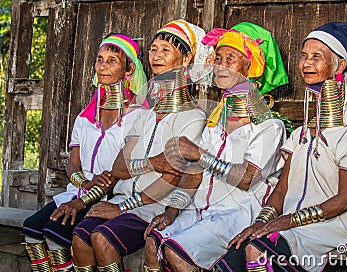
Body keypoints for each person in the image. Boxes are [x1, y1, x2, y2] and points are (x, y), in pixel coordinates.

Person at [217, 22, 347, 272]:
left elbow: (345, 200)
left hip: (329, 228)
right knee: (234, 252)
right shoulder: (301, 135)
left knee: (257, 250)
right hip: (288, 225)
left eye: (317, 57)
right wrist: (261, 222)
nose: (306, 64)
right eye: (304, 56)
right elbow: (282, 189)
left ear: (341, 65)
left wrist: (287, 222)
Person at [143, 22, 289, 272]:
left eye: (230, 59)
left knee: (176, 253)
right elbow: (195, 171)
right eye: (218, 58)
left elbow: (246, 179)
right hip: (201, 209)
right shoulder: (215, 122)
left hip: (236, 214)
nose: (220, 65)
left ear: (251, 67)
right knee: (152, 241)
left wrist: (200, 154)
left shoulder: (268, 126)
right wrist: (172, 210)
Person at [71, 19, 213, 272]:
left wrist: (122, 207)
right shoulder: (146, 115)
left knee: (101, 239)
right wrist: (153, 163)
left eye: (165, 50)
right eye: (153, 49)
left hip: (152, 205)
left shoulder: (193, 117)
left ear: (187, 58)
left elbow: (174, 174)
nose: (156, 56)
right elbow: (118, 168)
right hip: (124, 195)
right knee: (80, 237)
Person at [21, 33, 147, 272]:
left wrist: (85, 198)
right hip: (80, 190)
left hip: (111, 195)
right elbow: (72, 163)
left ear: (128, 69)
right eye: (100, 59)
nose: (103, 66)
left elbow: (119, 172)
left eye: (112, 60)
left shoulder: (137, 117)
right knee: (31, 229)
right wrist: (84, 182)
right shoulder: (85, 117)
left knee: (55, 236)